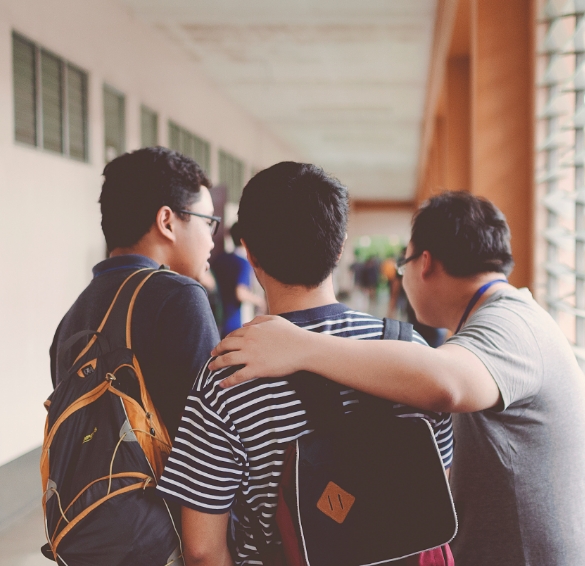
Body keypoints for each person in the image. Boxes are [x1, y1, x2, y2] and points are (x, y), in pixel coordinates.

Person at [209, 191, 585, 566]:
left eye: (403, 263)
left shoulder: (510, 324)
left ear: (424, 263)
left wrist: (300, 346)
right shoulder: (510, 316)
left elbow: (445, 384)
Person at [155, 162, 454, 566]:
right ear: (340, 246)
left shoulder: (229, 374)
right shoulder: (409, 353)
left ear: (251, 252)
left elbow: (203, 549)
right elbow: (438, 486)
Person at [50, 146, 221, 442]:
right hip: (162, 489)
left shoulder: (74, 315)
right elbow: (212, 438)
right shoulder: (180, 296)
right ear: (167, 221)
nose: (211, 240)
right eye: (207, 222)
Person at [212, 222, 266, 337]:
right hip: (234, 321)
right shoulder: (243, 263)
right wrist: (260, 301)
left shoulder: (220, 259)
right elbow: (240, 293)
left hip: (215, 318)